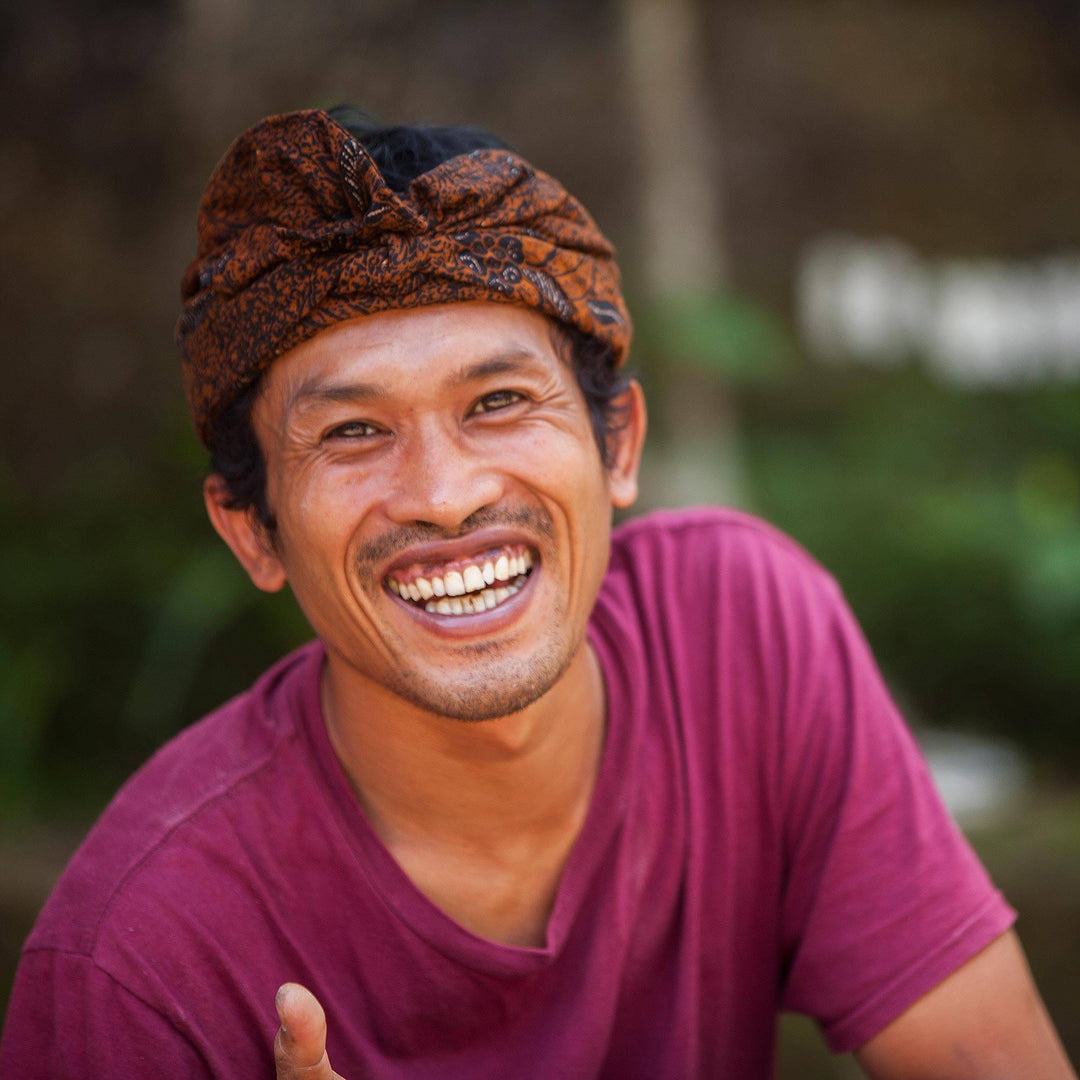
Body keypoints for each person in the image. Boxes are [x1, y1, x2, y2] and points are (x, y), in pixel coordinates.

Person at [1, 106, 1074, 1080]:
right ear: (252, 530)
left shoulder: (744, 635)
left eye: (500, 400)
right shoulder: (137, 964)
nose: (446, 494)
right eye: (352, 431)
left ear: (619, 446)